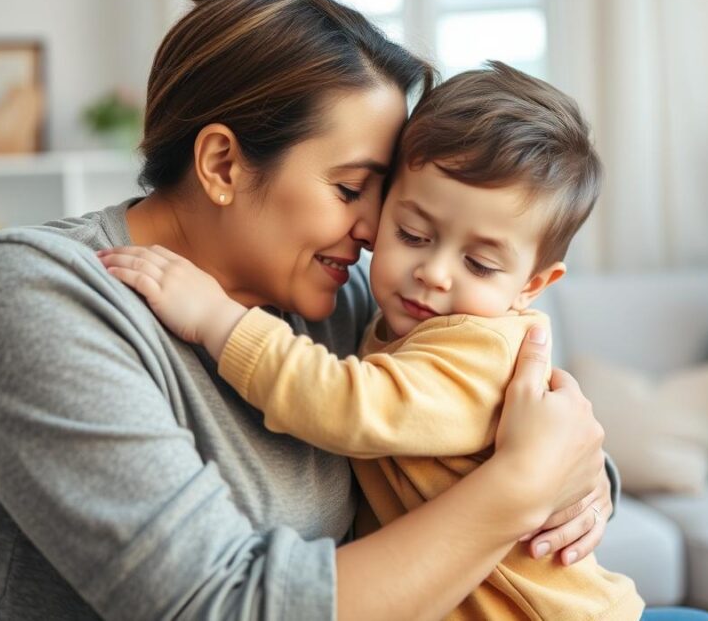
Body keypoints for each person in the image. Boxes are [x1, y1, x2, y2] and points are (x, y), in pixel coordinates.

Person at [0, 0, 617, 619]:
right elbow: (224, 607)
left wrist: (583, 468)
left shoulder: (336, 295)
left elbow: (482, 426)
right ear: (224, 164)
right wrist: (522, 484)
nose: (376, 232)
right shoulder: (32, 298)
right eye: (351, 189)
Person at [100, 61, 648, 620]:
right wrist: (542, 475)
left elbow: (347, 403)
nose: (433, 272)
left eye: (480, 264)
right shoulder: (385, 307)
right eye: (410, 233)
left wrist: (220, 320)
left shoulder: (474, 345)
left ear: (532, 286)